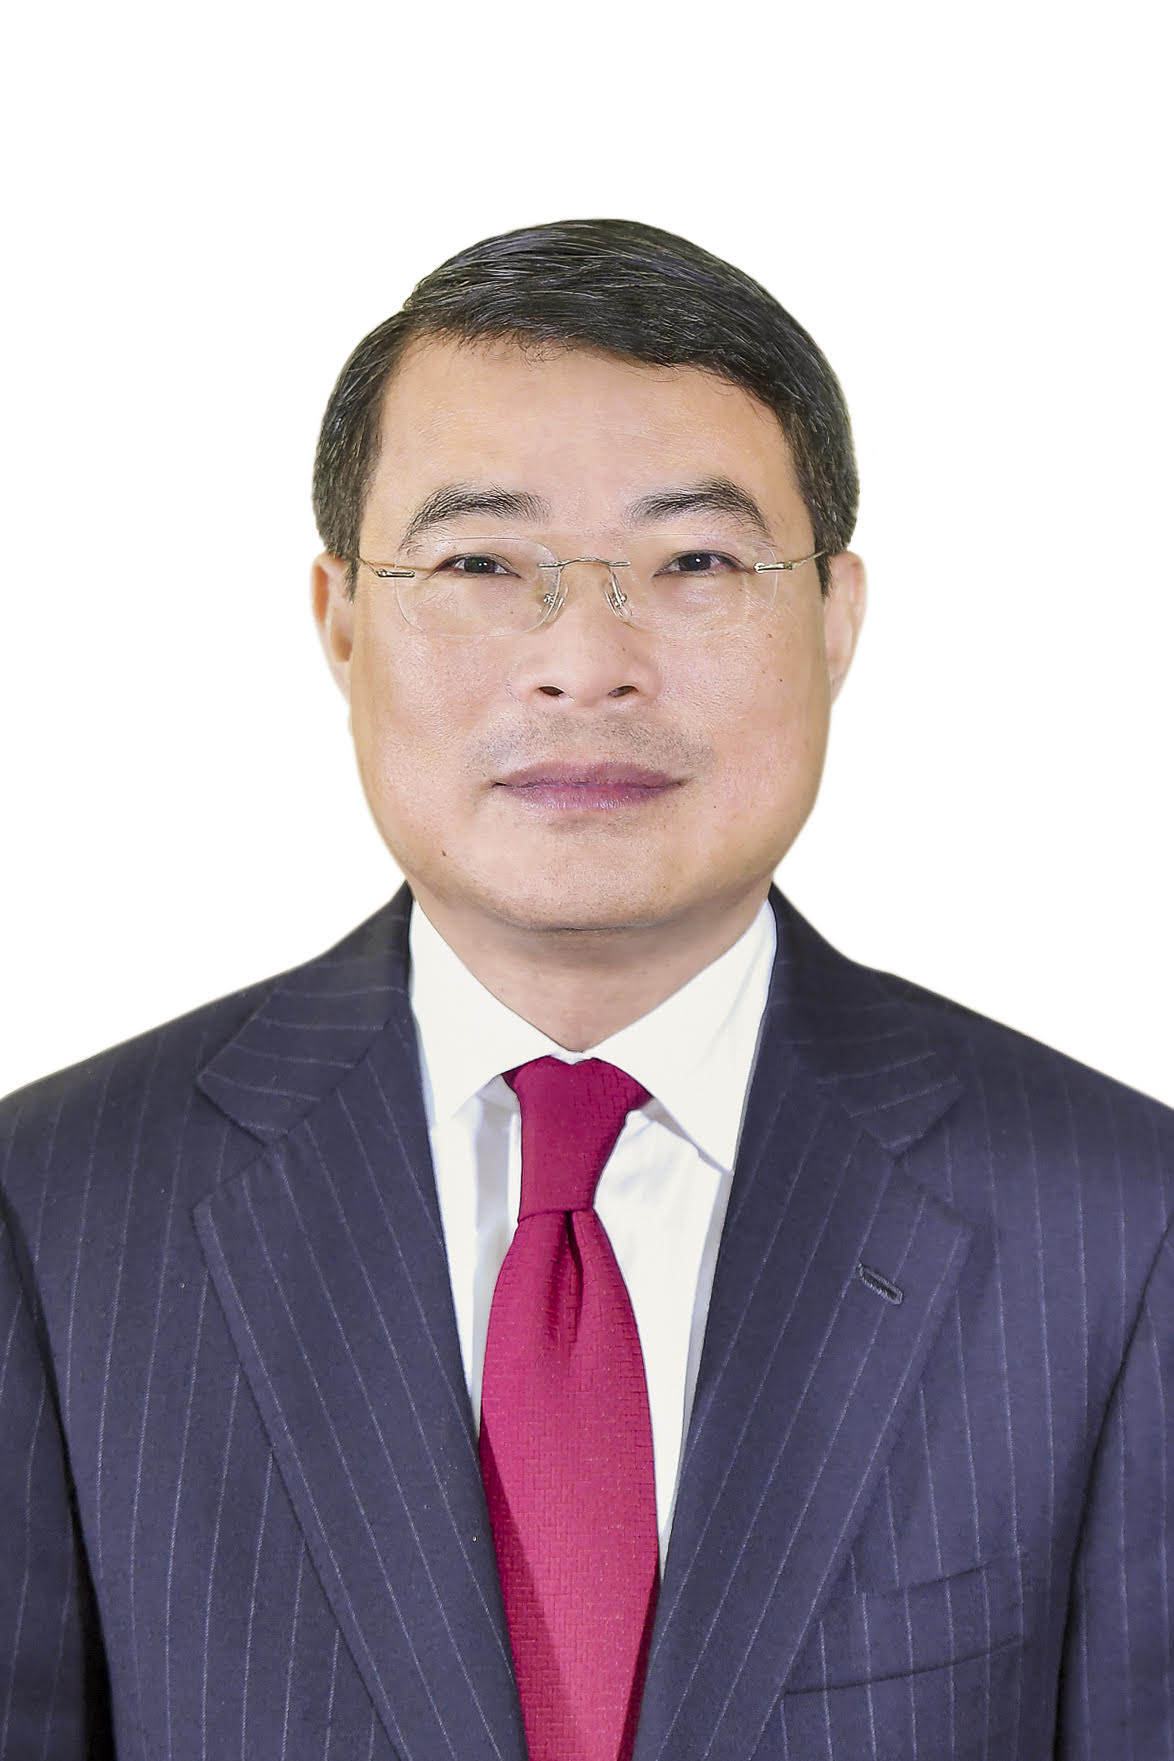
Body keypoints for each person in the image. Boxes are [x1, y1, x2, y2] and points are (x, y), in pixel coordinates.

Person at [1, 218, 1170, 1761]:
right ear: (339, 620)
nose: (583, 663)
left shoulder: (1115, 1223)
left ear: (834, 618)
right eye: (481, 564)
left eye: (693, 563)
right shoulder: (59, 1212)